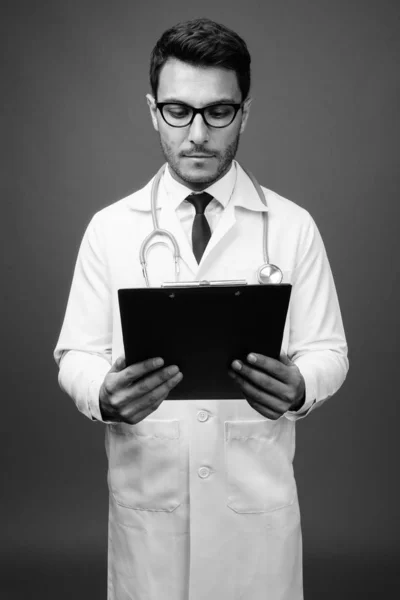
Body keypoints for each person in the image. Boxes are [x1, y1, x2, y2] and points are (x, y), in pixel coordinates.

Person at [54, 17, 348, 600]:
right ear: (152, 108)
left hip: (254, 517)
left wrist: (299, 386)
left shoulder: (292, 227)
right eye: (177, 110)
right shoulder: (110, 229)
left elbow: (329, 351)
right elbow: (75, 354)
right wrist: (103, 394)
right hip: (152, 515)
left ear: (244, 111)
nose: (197, 133)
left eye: (218, 112)